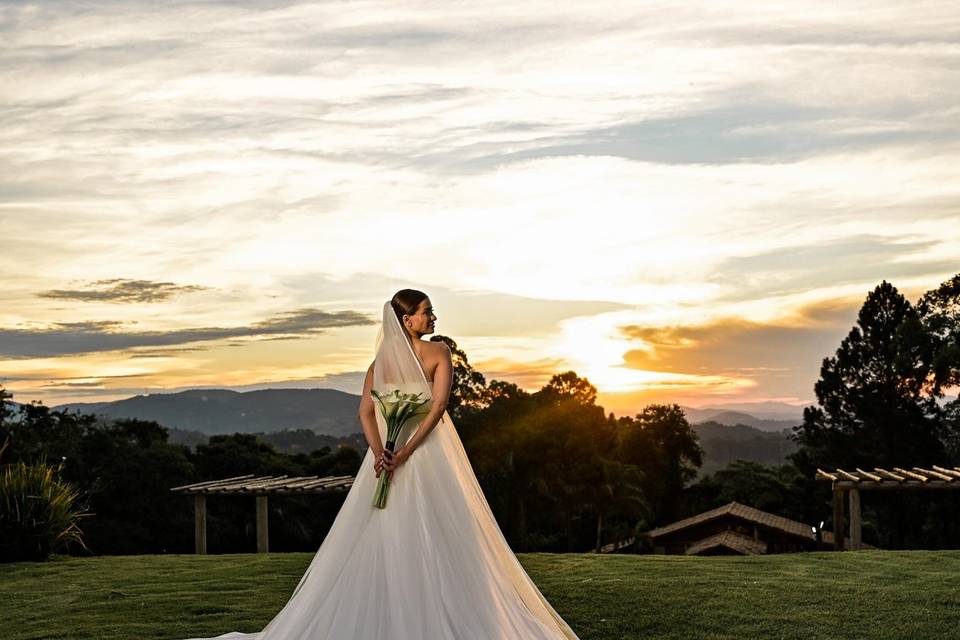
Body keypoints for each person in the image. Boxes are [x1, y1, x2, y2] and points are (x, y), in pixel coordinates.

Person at [182, 289, 581, 640]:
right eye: (427, 312)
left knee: (392, 530)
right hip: (427, 452)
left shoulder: (380, 364)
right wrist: (400, 454)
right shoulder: (438, 352)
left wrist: (380, 453)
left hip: (391, 457)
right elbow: (439, 406)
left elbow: (364, 412)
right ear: (407, 321)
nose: (433, 318)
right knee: (443, 529)